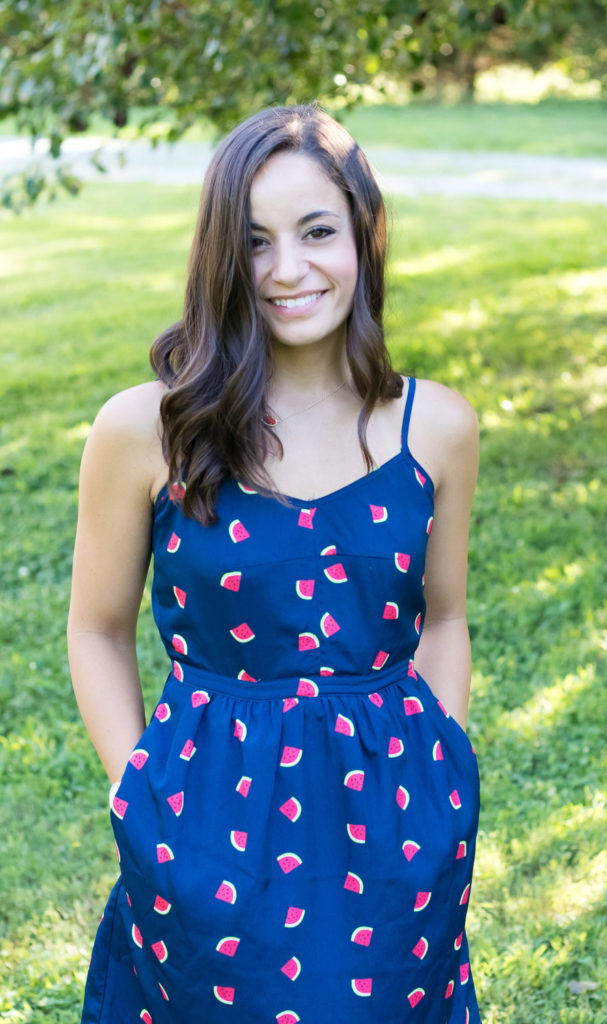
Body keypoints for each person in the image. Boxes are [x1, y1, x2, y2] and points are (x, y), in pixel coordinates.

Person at [67, 101, 481, 1024]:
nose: (287, 271)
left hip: (394, 820)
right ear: (220, 257)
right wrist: (139, 789)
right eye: (254, 242)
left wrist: (440, 765)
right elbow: (96, 629)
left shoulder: (436, 427)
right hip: (204, 812)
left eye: (317, 232)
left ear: (365, 237)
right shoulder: (147, 428)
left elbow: (444, 617)